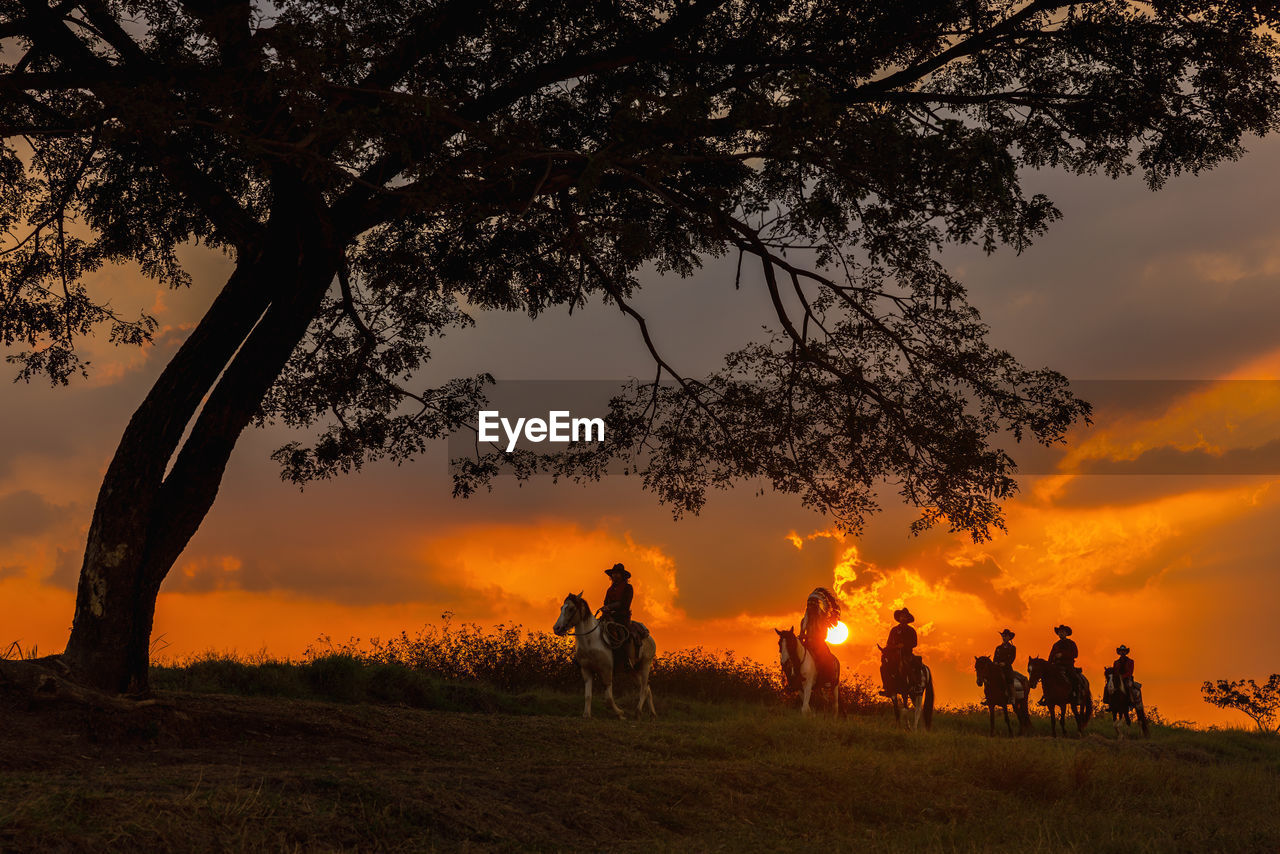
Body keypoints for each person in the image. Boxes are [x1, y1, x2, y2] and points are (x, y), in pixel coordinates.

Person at [601, 563, 636, 669]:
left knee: (624, 635)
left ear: (622, 576)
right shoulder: (609, 589)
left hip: (622, 617)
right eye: (614, 574)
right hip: (609, 616)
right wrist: (605, 609)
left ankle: (626, 660)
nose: (615, 576)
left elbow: (625, 604)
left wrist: (610, 607)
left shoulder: (628, 588)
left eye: (617, 574)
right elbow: (605, 602)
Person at [880, 607, 918, 694]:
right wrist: (895, 646)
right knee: (883, 667)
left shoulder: (911, 630)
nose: (903, 618)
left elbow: (914, 643)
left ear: (908, 619)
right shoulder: (894, 630)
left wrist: (904, 646)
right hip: (894, 654)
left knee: (909, 666)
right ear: (899, 618)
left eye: (905, 617)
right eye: (902, 616)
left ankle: (914, 685)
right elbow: (889, 643)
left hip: (907, 654)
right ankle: (886, 687)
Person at [1048, 624, 1082, 702]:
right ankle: (1047, 696)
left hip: (1068, 665)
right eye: (1060, 632)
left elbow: (1075, 654)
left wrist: (1062, 655)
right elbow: (1050, 656)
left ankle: (1076, 695)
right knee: (1048, 678)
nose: (1061, 633)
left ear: (1066, 633)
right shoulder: (1055, 645)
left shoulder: (1071, 643)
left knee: (1074, 678)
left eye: (1063, 632)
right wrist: (1049, 664)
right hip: (1056, 666)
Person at [993, 629, 1017, 702]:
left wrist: (1005, 663)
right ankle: (989, 697)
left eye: (1005, 636)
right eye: (1003, 636)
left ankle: (1012, 697)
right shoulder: (998, 648)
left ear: (1009, 637)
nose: (1004, 637)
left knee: (1009, 679)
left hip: (1007, 668)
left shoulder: (1012, 648)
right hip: (997, 668)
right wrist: (995, 662)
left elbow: (1012, 658)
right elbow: (994, 658)